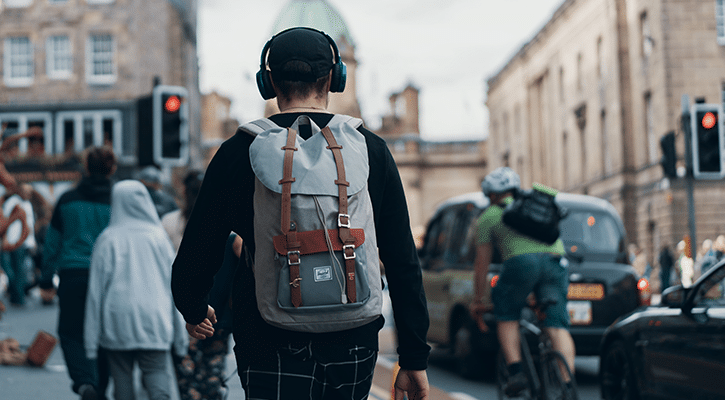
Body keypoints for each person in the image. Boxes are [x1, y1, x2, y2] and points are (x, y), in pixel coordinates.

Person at [171, 27, 430, 400]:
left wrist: (193, 306)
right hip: (353, 338)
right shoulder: (370, 149)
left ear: (269, 81)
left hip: (266, 334)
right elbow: (402, 259)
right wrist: (414, 357)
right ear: (334, 79)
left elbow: (200, 247)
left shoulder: (238, 150)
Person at [470, 167, 575, 397]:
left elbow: (482, 265)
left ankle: (516, 372)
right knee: (557, 326)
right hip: (556, 262)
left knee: (506, 313)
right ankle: (567, 385)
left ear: (492, 195)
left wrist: (478, 300)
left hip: (520, 265)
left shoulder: (488, 217)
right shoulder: (537, 206)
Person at [84, 179, 188, 400]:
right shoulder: (158, 238)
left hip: (117, 320)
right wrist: (180, 338)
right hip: (155, 319)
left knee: (122, 381)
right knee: (158, 375)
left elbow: (95, 293)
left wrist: (90, 342)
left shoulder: (108, 239)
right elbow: (173, 285)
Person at [39, 146, 116, 400]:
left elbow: (52, 241)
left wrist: (47, 277)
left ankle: (84, 382)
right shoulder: (117, 200)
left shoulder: (68, 199)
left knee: (71, 333)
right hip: (108, 278)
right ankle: (101, 387)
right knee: (105, 334)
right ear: (112, 169)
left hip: (73, 274)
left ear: (85, 168)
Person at [163, 170, 236, 400]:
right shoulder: (230, 225)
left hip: (184, 312)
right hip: (221, 315)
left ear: (184, 192)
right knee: (213, 376)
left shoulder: (170, 223)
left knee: (188, 379)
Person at [1, 183, 36, 306]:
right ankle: (18, 297)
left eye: (30, 192)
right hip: (15, 241)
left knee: (21, 270)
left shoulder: (27, 204)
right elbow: (5, 221)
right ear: (20, 191)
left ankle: (16, 295)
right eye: (26, 191)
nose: (28, 194)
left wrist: (32, 241)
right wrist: (5, 238)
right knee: (17, 270)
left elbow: (30, 224)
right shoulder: (12, 202)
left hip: (25, 241)